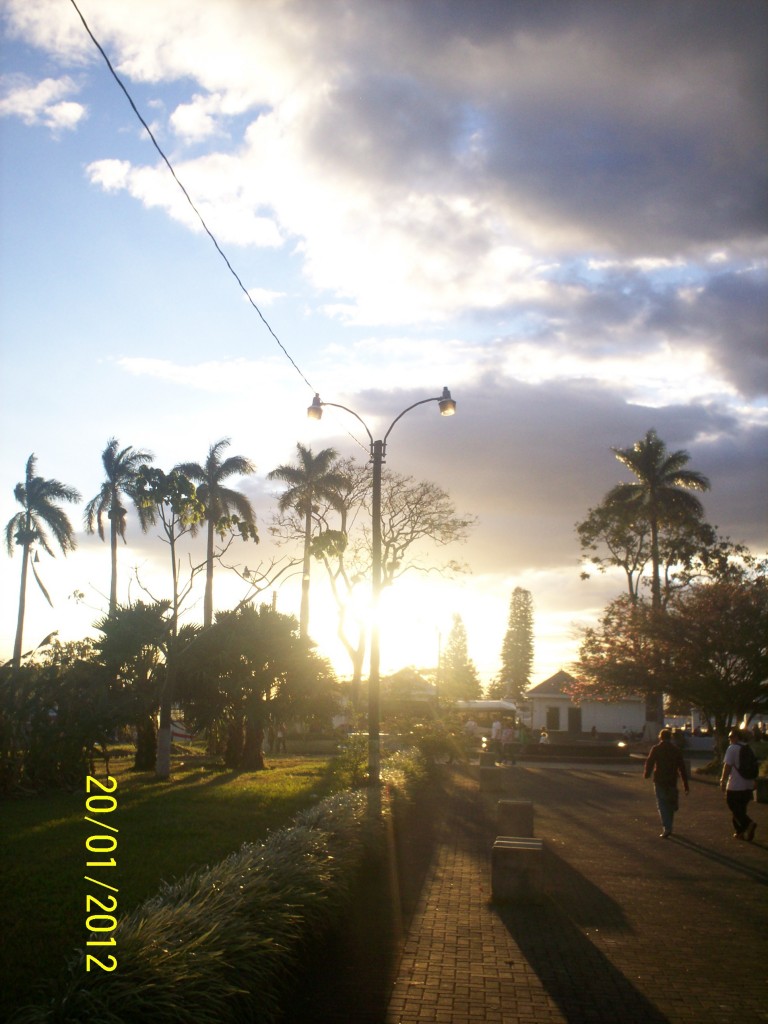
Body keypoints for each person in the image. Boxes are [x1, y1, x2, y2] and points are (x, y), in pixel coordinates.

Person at [643, 728, 689, 837]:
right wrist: (685, 784)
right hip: (672, 780)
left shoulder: (656, 749)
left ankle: (667, 827)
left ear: (660, 737)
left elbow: (650, 762)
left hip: (659, 779)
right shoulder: (676, 750)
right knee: (670, 803)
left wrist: (647, 774)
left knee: (662, 804)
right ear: (670, 738)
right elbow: (682, 767)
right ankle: (670, 823)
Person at [720, 728, 757, 842]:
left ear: (736, 737)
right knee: (741, 808)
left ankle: (748, 823)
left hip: (735, 785)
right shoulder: (748, 748)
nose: (729, 739)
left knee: (733, 806)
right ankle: (740, 832)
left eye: (731, 737)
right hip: (748, 784)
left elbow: (727, 766)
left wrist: (723, 780)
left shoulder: (732, 748)